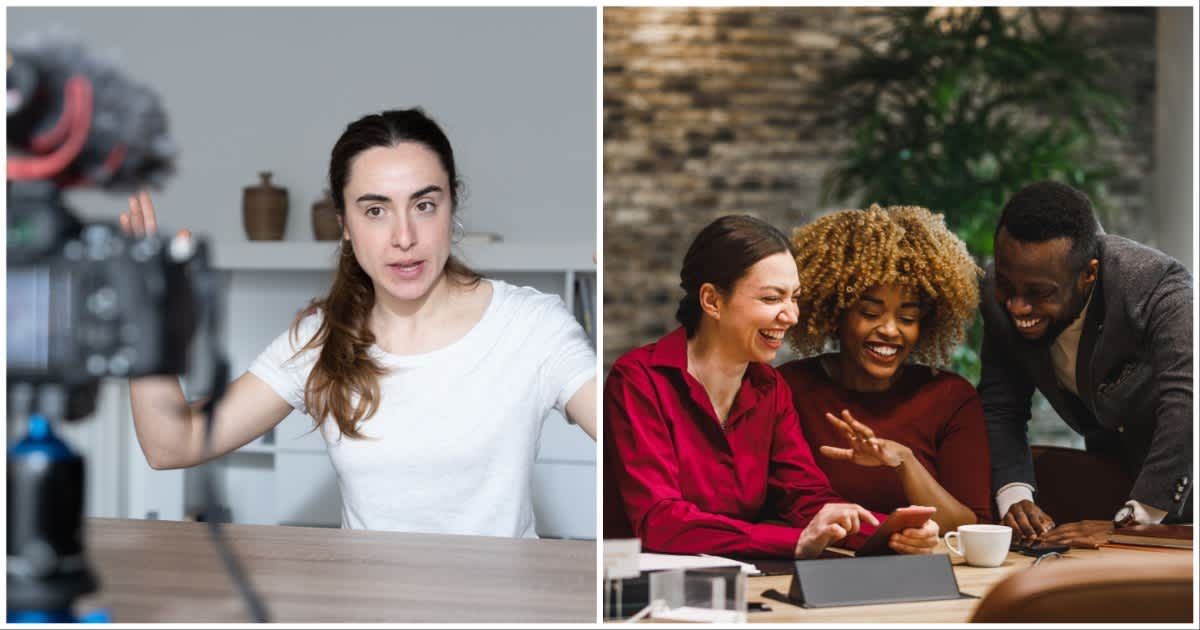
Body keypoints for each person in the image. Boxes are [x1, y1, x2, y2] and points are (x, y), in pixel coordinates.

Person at [120, 108, 597, 538]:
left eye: (424, 205)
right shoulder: (319, 339)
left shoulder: (532, 327)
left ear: (452, 206)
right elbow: (172, 444)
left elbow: (632, 435)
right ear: (345, 224)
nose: (404, 237)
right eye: (375, 210)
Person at [604, 214, 939, 558]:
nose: (791, 316)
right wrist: (794, 542)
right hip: (638, 584)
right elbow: (660, 521)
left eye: (794, 297)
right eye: (771, 299)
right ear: (712, 301)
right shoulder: (638, 381)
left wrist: (891, 532)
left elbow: (805, 497)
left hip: (743, 578)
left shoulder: (770, 388)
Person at [978, 180, 1193, 547]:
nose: (1016, 306)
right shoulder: (996, 296)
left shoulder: (1156, 287)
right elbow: (1002, 405)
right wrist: (1015, 496)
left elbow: (1188, 397)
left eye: (1038, 293)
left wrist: (1134, 522)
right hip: (1117, 469)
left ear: (1089, 274)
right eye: (1006, 285)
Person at [777, 205, 992, 535]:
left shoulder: (950, 398)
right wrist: (884, 533)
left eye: (907, 318)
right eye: (870, 313)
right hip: (818, 560)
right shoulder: (789, 389)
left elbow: (973, 528)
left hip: (927, 565)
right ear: (835, 315)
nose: (890, 330)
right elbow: (775, 509)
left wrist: (905, 462)